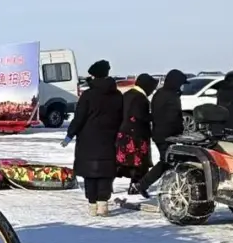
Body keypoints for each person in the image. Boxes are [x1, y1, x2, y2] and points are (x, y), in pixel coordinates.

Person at [64, 59, 122, 216]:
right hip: (110, 138)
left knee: (90, 173)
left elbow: (79, 118)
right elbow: (121, 117)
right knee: (106, 171)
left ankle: (92, 205)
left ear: (94, 76)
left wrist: (70, 134)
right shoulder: (117, 95)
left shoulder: (88, 95)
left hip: (88, 139)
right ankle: (103, 205)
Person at [131, 69, 187, 196]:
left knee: (169, 161)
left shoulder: (161, 93)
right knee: (167, 161)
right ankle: (143, 184)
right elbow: (172, 117)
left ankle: (166, 185)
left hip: (160, 133)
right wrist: (179, 132)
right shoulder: (170, 96)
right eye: (181, 84)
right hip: (167, 135)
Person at [117, 73, 157, 197]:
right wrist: (154, 117)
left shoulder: (127, 94)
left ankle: (107, 185)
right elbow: (140, 116)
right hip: (137, 136)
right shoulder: (140, 98)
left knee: (122, 162)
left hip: (123, 134)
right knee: (139, 163)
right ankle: (135, 186)